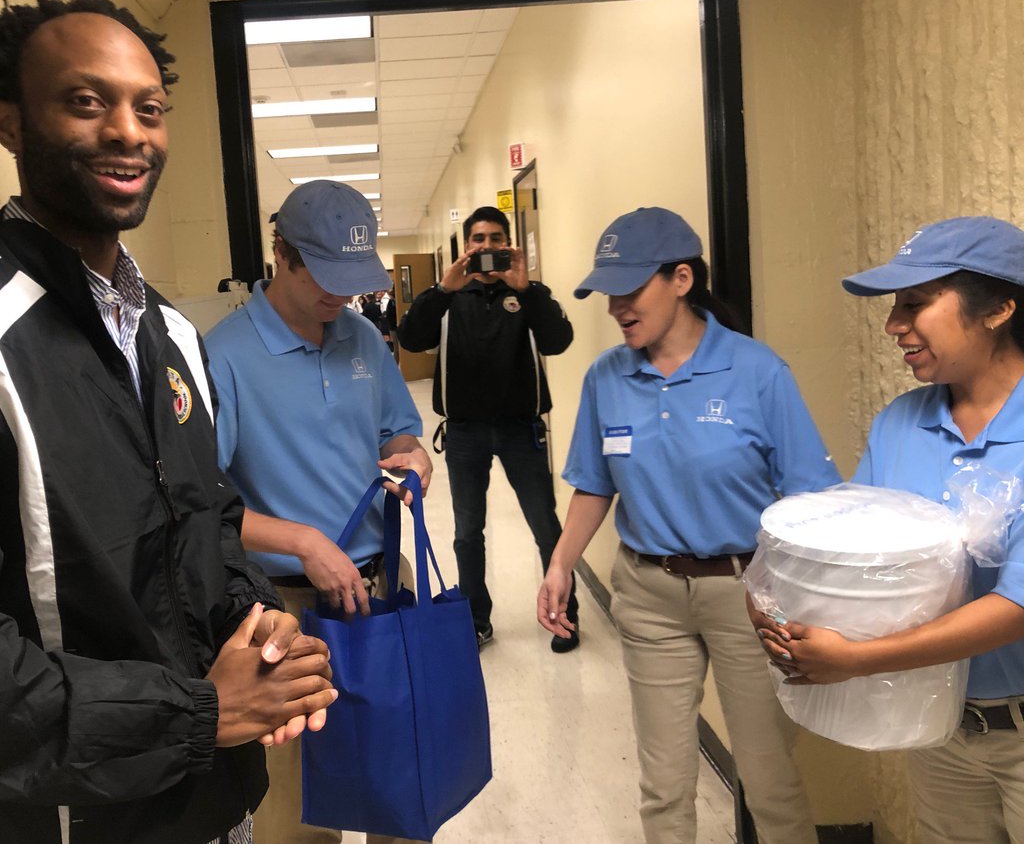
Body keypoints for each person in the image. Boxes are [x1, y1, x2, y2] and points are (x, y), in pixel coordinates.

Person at [0, 0, 337, 844]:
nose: (129, 132)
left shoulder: (170, 335)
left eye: (149, 108)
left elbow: (206, 529)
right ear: (10, 122)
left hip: (212, 806)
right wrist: (202, 712)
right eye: (86, 102)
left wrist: (262, 627)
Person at [537, 207, 837, 843]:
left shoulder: (757, 372)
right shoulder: (606, 378)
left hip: (748, 596)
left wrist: (814, 602)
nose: (617, 307)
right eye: (608, 294)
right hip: (648, 596)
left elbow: (812, 497)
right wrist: (561, 563)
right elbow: (596, 483)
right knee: (664, 788)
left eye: (630, 290)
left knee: (768, 783)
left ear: (681, 279)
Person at [754, 216, 1024, 844]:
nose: (893, 325)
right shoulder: (902, 422)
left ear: (999, 308)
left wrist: (856, 660)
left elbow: (1016, 606)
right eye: (893, 306)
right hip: (941, 726)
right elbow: (861, 551)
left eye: (915, 303)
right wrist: (775, 596)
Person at [204, 180, 432, 844]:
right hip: (283, 610)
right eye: (326, 277)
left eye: (353, 280)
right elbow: (200, 508)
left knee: (398, 783)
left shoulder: (361, 337)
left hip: (382, 589)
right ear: (282, 254)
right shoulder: (225, 357)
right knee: (301, 812)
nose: (342, 296)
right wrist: (302, 541)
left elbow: (399, 431)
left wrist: (413, 459)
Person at [397, 205, 577, 651]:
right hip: (464, 433)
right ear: (466, 248)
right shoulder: (449, 299)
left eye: (497, 239)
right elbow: (410, 338)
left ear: (509, 245)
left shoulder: (529, 295)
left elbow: (559, 340)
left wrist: (527, 289)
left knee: (546, 527)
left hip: (521, 430)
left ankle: (565, 616)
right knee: (466, 533)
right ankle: (477, 619)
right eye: (479, 239)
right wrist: (441, 289)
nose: (488, 248)